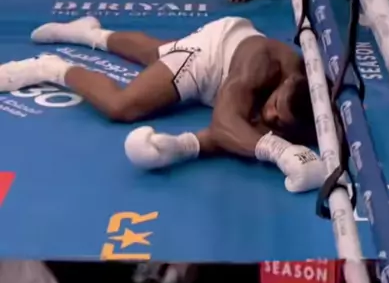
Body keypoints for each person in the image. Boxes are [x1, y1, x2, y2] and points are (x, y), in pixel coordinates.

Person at [0, 16, 324, 192]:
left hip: (229, 50)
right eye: (275, 104)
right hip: (210, 58)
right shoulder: (261, 64)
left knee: (157, 53)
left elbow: (250, 132)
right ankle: (49, 68)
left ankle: (87, 33)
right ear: (286, 84)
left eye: (279, 118)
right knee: (122, 106)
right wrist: (279, 151)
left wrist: (179, 146)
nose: (270, 113)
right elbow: (224, 123)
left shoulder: (309, 104)